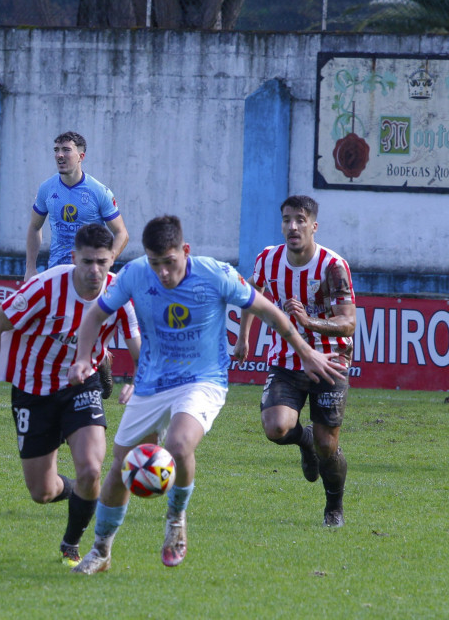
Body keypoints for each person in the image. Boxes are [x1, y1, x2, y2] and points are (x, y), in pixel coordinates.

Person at [66, 215, 347, 575]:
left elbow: (269, 311)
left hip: (202, 380)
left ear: (185, 251)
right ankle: (101, 551)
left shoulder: (215, 274)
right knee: (123, 467)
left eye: (170, 263)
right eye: (156, 264)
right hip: (152, 383)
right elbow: (94, 316)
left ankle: (176, 519)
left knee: (180, 446)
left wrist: (306, 352)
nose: (163, 273)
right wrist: (82, 359)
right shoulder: (135, 274)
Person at [0, 224, 140, 568]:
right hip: (33, 391)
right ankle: (79, 491)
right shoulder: (45, 287)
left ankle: (72, 544)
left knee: (93, 469)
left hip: (82, 385)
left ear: (112, 262)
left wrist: (139, 381)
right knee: (42, 492)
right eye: (88, 262)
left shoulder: (118, 294)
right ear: (74, 257)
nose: (95, 271)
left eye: (103, 263)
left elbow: (138, 344)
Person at [234, 195, 355, 528]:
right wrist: (244, 336)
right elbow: (251, 296)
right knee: (275, 428)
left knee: (328, 446)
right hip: (286, 360)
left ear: (313, 226)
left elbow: (348, 322)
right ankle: (304, 441)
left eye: (300, 220)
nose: (292, 226)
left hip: (330, 361)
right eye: (287, 219)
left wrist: (310, 322)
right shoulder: (268, 260)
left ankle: (334, 506)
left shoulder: (332, 267)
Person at [25, 131, 129, 399]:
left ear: (81, 156)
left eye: (66, 150)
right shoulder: (47, 188)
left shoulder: (98, 192)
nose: (60, 155)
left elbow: (122, 233)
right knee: (54, 329)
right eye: (56, 149)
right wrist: (30, 268)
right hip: (57, 271)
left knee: (83, 327)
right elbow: (35, 227)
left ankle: (97, 363)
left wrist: (105, 263)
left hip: (88, 273)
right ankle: (69, 377)